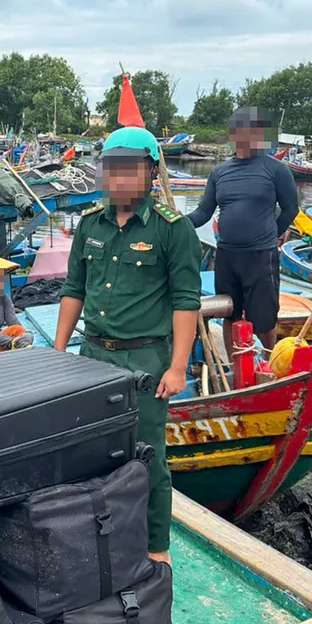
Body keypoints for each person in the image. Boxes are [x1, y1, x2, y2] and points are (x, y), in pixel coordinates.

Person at [54, 126, 202, 565]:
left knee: (148, 457)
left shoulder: (173, 231)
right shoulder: (89, 224)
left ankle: (157, 549)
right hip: (92, 357)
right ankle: (103, 535)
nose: (117, 179)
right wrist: (59, 351)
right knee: (92, 453)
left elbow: (185, 302)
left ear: (151, 173)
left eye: (128, 170)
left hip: (146, 362)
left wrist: (178, 367)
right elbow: (73, 289)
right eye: (110, 169)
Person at [188, 107, 298, 357]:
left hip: (261, 255)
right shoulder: (220, 172)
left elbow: (291, 209)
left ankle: (270, 361)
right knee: (230, 313)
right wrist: (176, 221)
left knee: (265, 318)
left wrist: (273, 235)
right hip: (226, 255)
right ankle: (234, 364)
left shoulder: (276, 169)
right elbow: (204, 212)